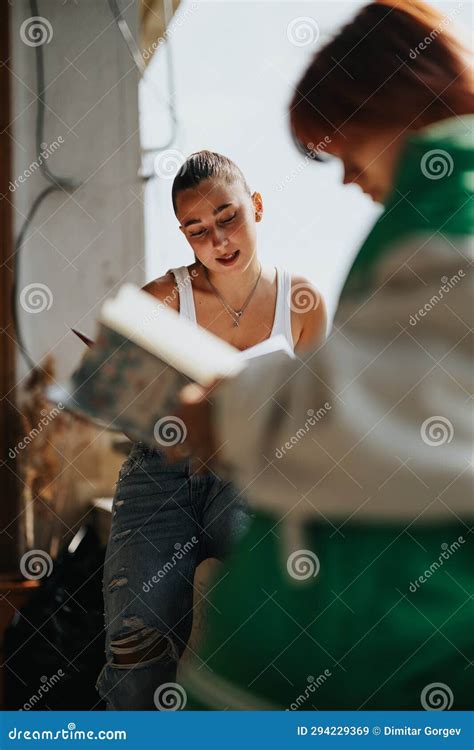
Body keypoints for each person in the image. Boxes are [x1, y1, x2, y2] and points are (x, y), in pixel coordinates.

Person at [174, 1, 473, 709]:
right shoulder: (434, 205)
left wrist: (231, 407)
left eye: (343, 147)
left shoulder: (452, 198)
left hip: (380, 647)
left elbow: (405, 398)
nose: (345, 179)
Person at [96, 150, 327, 709]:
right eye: (198, 231)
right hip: (162, 473)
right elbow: (123, 406)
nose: (218, 240)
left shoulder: (300, 303)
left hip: (252, 473)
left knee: (258, 637)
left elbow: (319, 419)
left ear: (257, 207)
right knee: (135, 643)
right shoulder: (163, 298)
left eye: (228, 218)